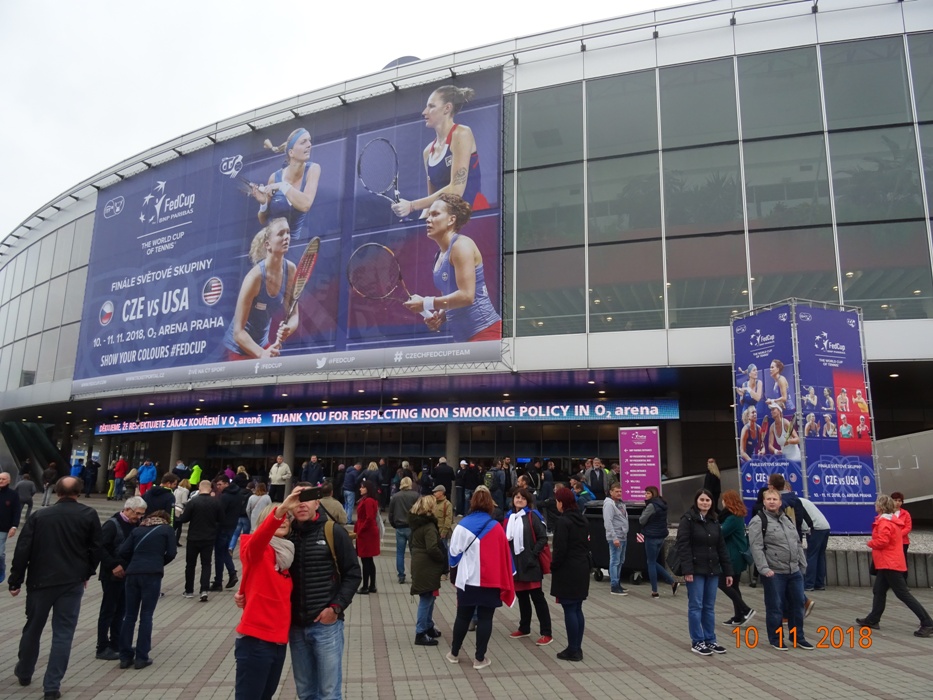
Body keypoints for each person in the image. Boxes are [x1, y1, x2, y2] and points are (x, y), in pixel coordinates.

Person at [9, 476, 102, 697]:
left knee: (33, 627)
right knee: (63, 633)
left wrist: (15, 579)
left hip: (40, 581)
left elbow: (23, 549)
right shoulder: (88, 515)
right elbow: (96, 548)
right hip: (71, 581)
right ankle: (52, 685)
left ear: (57, 492)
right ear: (78, 492)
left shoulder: (40, 515)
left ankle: (24, 670)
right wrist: (87, 572)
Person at [285, 484, 362, 700]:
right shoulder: (286, 535)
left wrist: (335, 608)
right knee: (305, 692)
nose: (301, 504)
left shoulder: (332, 531)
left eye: (307, 498)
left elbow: (353, 573)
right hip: (296, 626)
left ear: (317, 503)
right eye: (296, 499)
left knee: (329, 693)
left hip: (326, 625)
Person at [403, 194, 501, 342]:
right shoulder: (439, 256)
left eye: (435, 214)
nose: (428, 219)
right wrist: (441, 316)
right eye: (428, 215)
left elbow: (467, 296)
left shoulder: (461, 246)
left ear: (451, 220)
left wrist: (425, 303)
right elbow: (452, 295)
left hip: (487, 332)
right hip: (463, 338)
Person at [233, 494, 299, 700]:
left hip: (277, 641)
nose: (284, 520)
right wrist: (279, 511)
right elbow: (258, 541)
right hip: (256, 641)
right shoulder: (254, 548)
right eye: (279, 517)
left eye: (288, 517)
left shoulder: (286, 555)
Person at [392, 84, 487, 218]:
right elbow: (431, 201)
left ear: (447, 108)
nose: (424, 112)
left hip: (473, 216)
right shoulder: (427, 152)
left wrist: (412, 206)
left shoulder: (462, 133)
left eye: (431, 106)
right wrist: (417, 225)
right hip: (447, 222)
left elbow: (456, 190)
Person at [446, 488, 515, 669]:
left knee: (462, 617)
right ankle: (479, 658)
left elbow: (453, 554)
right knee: (485, 618)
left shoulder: (461, 525)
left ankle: (454, 653)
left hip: (467, 580)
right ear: (490, 504)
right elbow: (505, 556)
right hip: (489, 580)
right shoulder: (497, 527)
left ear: (472, 503)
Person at [856, 494, 933, 638]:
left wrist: (870, 543)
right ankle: (873, 619)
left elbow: (883, 541)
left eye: (876, 504)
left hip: (889, 562)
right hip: (889, 562)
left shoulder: (884, 523)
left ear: (880, 506)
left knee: (902, 594)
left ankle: (927, 622)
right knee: (878, 590)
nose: (875, 506)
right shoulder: (892, 521)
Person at [747, 488, 814, 651]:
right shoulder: (758, 521)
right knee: (775, 607)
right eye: (768, 499)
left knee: (798, 605)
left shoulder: (787, 519)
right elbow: (756, 547)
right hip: (774, 572)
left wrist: (802, 563)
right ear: (764, 502)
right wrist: (764, 568)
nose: (771, 502)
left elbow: (797, 542)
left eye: (774, 499)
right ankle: (776, 638)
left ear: (780, 502)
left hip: (794, 571)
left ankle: (798, 637)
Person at [223, 218, 299, 359]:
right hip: (238, 348)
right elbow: (238, 333)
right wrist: (261, 354)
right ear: (267, 245)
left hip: (262, 344)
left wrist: (288, 329)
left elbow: (294, 315)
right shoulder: (254, 278)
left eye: (288, 233)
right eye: (281, 233)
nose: (286, 237)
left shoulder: (291, 270)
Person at [676, 489, 733, 656]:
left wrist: (728, 571)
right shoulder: (687, 520)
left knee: (709, 607)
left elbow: (721, 548)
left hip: (713, 570)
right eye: (702, 500)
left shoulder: (714, 521)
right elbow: (683, 546)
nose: (705, 503)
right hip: (695, 570)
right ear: (696, 501)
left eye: (708, 500)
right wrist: (687, 570)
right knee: (696, 606)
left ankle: (710, 639)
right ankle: (697, 641)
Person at [117, 509, 176, 669]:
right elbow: (171, 553)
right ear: (165, 520)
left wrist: (135, 562)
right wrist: (158, 562)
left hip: (133, 573)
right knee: (146, 615)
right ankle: (141, 657)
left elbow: (123, 551)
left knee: (129, 615)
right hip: (152, 574)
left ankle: (124, 656)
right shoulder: (167, 530)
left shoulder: (138, 529)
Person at [96, 497, 146, 661]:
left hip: (128, 574)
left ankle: (116, 642)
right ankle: (102, 647)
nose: (139, 517)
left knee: (121, 611)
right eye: (137, 513)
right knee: (108, 610)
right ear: (128, 509)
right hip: (112, 574)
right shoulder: (112, 524)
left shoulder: (135, 524)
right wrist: (113, 565)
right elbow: (100, 548)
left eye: (141, 515)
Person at [249, 127, 321, 240]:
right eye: (303, 142)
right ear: (291, 152)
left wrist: (283, 186)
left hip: (297, 246)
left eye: (309, 140)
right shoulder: (274, 178)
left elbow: (305, 204)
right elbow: (263, 219)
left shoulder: (313, 169)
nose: (309, 144)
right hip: (274, 246)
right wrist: (263, 204)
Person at [506, 487, 552, 646]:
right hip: (516, 565)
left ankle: (547, 632)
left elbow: (542, 538)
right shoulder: (509, 517)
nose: (519, 500)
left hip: (530, 564)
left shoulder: (533, 516)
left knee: (537, 598)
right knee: (522, 597)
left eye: (522, 498)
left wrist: (533, 555)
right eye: (516, 497)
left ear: (528, 501)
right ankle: (524, 627)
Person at [549, 487, 589, 661]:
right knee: (577, 608)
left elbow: (559, 549)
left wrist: (553, 566)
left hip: (567, 569)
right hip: (582, 566)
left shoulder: (563, 522)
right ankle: (577, 647)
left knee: (569, 609)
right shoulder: (582, 519)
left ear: (561, 502)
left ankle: (573, 649)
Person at [409, 494, 447, 646]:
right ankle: (420, 632)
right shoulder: (429, 526)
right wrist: (442, 558)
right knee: (427, 598)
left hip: (420, 563)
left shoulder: (417, 524)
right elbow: (432, 548)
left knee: (430, 596)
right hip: (427, 565)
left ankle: (428, 626)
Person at [176, 480, 223, 602]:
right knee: (206, 564)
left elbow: (184, 519)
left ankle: (189, 590)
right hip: (209, 537)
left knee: (190, 565)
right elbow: (221, 519)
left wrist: (178, 517)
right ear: (210, 488)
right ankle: (204, 590)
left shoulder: (193, 502)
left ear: (199, 488)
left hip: (193, 537)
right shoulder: (216, 502)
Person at [719, 490, 755, 625]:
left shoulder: (733, 518)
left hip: (732, 556)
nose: (722, 502)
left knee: (722, 583)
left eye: (724, 500)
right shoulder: (736, 516)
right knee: (734, 586)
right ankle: (738, 615)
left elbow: (721, 533)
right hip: (737, 555)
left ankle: (746, 610)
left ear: (728, 502)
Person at [640, 485, 679, 599]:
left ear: (653, 494)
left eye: (648, 493)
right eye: (645, 493)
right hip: (661, 537)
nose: (645, 495)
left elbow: (642, 520)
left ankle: (654, 591)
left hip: (651, 536)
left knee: (651, 563)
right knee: (653, 561)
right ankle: (672, 582)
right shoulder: (663, 504)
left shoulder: (651, 506)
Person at [212, 475, 242, 591]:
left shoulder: (225, 497)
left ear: (226, 483)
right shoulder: (238, 494)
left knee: (219, 553)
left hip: (222, 527)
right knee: (224, 551)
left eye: (220, 484)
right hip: (232, 526)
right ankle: (231, 573)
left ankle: (218, 581)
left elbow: (219, 513)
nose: (218, 487)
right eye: (217, 485)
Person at [389, 476, 420, 584]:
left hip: (400, 526)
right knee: (414, 552)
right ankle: (415, 575)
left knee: (400, 553)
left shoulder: (396, 496)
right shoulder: (416, 496)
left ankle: (401, 575)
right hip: (412, 526)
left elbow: (391, 513)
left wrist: (394, 524)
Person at [603, 482, 629, 596]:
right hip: (616, 536)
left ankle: (617, 582)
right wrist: (614, 537)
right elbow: (608, 522)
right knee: (615, 560)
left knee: (620, 560)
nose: (619, 493)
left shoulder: (621, 503)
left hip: (623, 535)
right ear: (611, 492)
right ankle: (614, 585)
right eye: (616, 491)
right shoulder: (609, 504)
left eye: (620, 491)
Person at [355, 479, 381, 594]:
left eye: (362, 487)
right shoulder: (367, 500)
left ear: (368, 489)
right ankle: (371, 585)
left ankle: (366, 586)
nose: (360, 489)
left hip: (367, 533)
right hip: (367, 531)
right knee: (368, 560)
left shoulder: (368, 501)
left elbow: (369, 518)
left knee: (366, 559)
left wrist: (360, 530)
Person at [0, 471, 21, 584]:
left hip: (3, 528)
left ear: (8, 480)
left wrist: (14, 526)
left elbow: (16, 511)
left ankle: (1, 570)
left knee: (0, 553)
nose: (1, 481)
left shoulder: (13, 495)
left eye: (3, 479)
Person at [891, 492, 912, 581]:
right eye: (895, 500)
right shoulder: (888, 513)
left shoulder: (905, 514)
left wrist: (898, 534)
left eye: (899, 501)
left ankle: (903, 581)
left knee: (903, 561)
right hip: (891, 541)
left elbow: (908, 527)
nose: (897, 502)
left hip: (903, 541)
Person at [173, 478, 192, 545]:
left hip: (174, 508)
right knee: (179, 527)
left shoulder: (176, 490)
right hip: (180, 509)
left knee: (174, 526)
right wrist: (189, 501)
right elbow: (184, 501)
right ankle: (176, 541)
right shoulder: (185, 491)